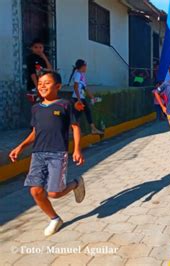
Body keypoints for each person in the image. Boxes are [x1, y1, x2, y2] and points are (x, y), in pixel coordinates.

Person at [9, 71, 86, 236]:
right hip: (38, 154)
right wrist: (21, 146)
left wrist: (77, 149)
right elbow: (35, 131)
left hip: (58, 153)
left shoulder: (65, 105)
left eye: (47, 83)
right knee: (35, 191)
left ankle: (75, 183)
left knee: (54, 193)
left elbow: (75, 127)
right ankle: (54, 219)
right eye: (40, 83)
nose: (42, 86)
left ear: (57, 86)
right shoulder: (36, 108)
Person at [68, 59, 103, 135]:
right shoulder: (78, 74)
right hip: (77, 98)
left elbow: (85, 88)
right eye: (85, 66)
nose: (86, 68)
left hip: (81, 98)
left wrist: (92, 97)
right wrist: (79, 99)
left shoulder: (82, 75)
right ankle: (72, 130)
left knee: (84, 113)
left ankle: (92, 129)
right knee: (79, 114)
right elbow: (75, 87)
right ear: (82, 66)